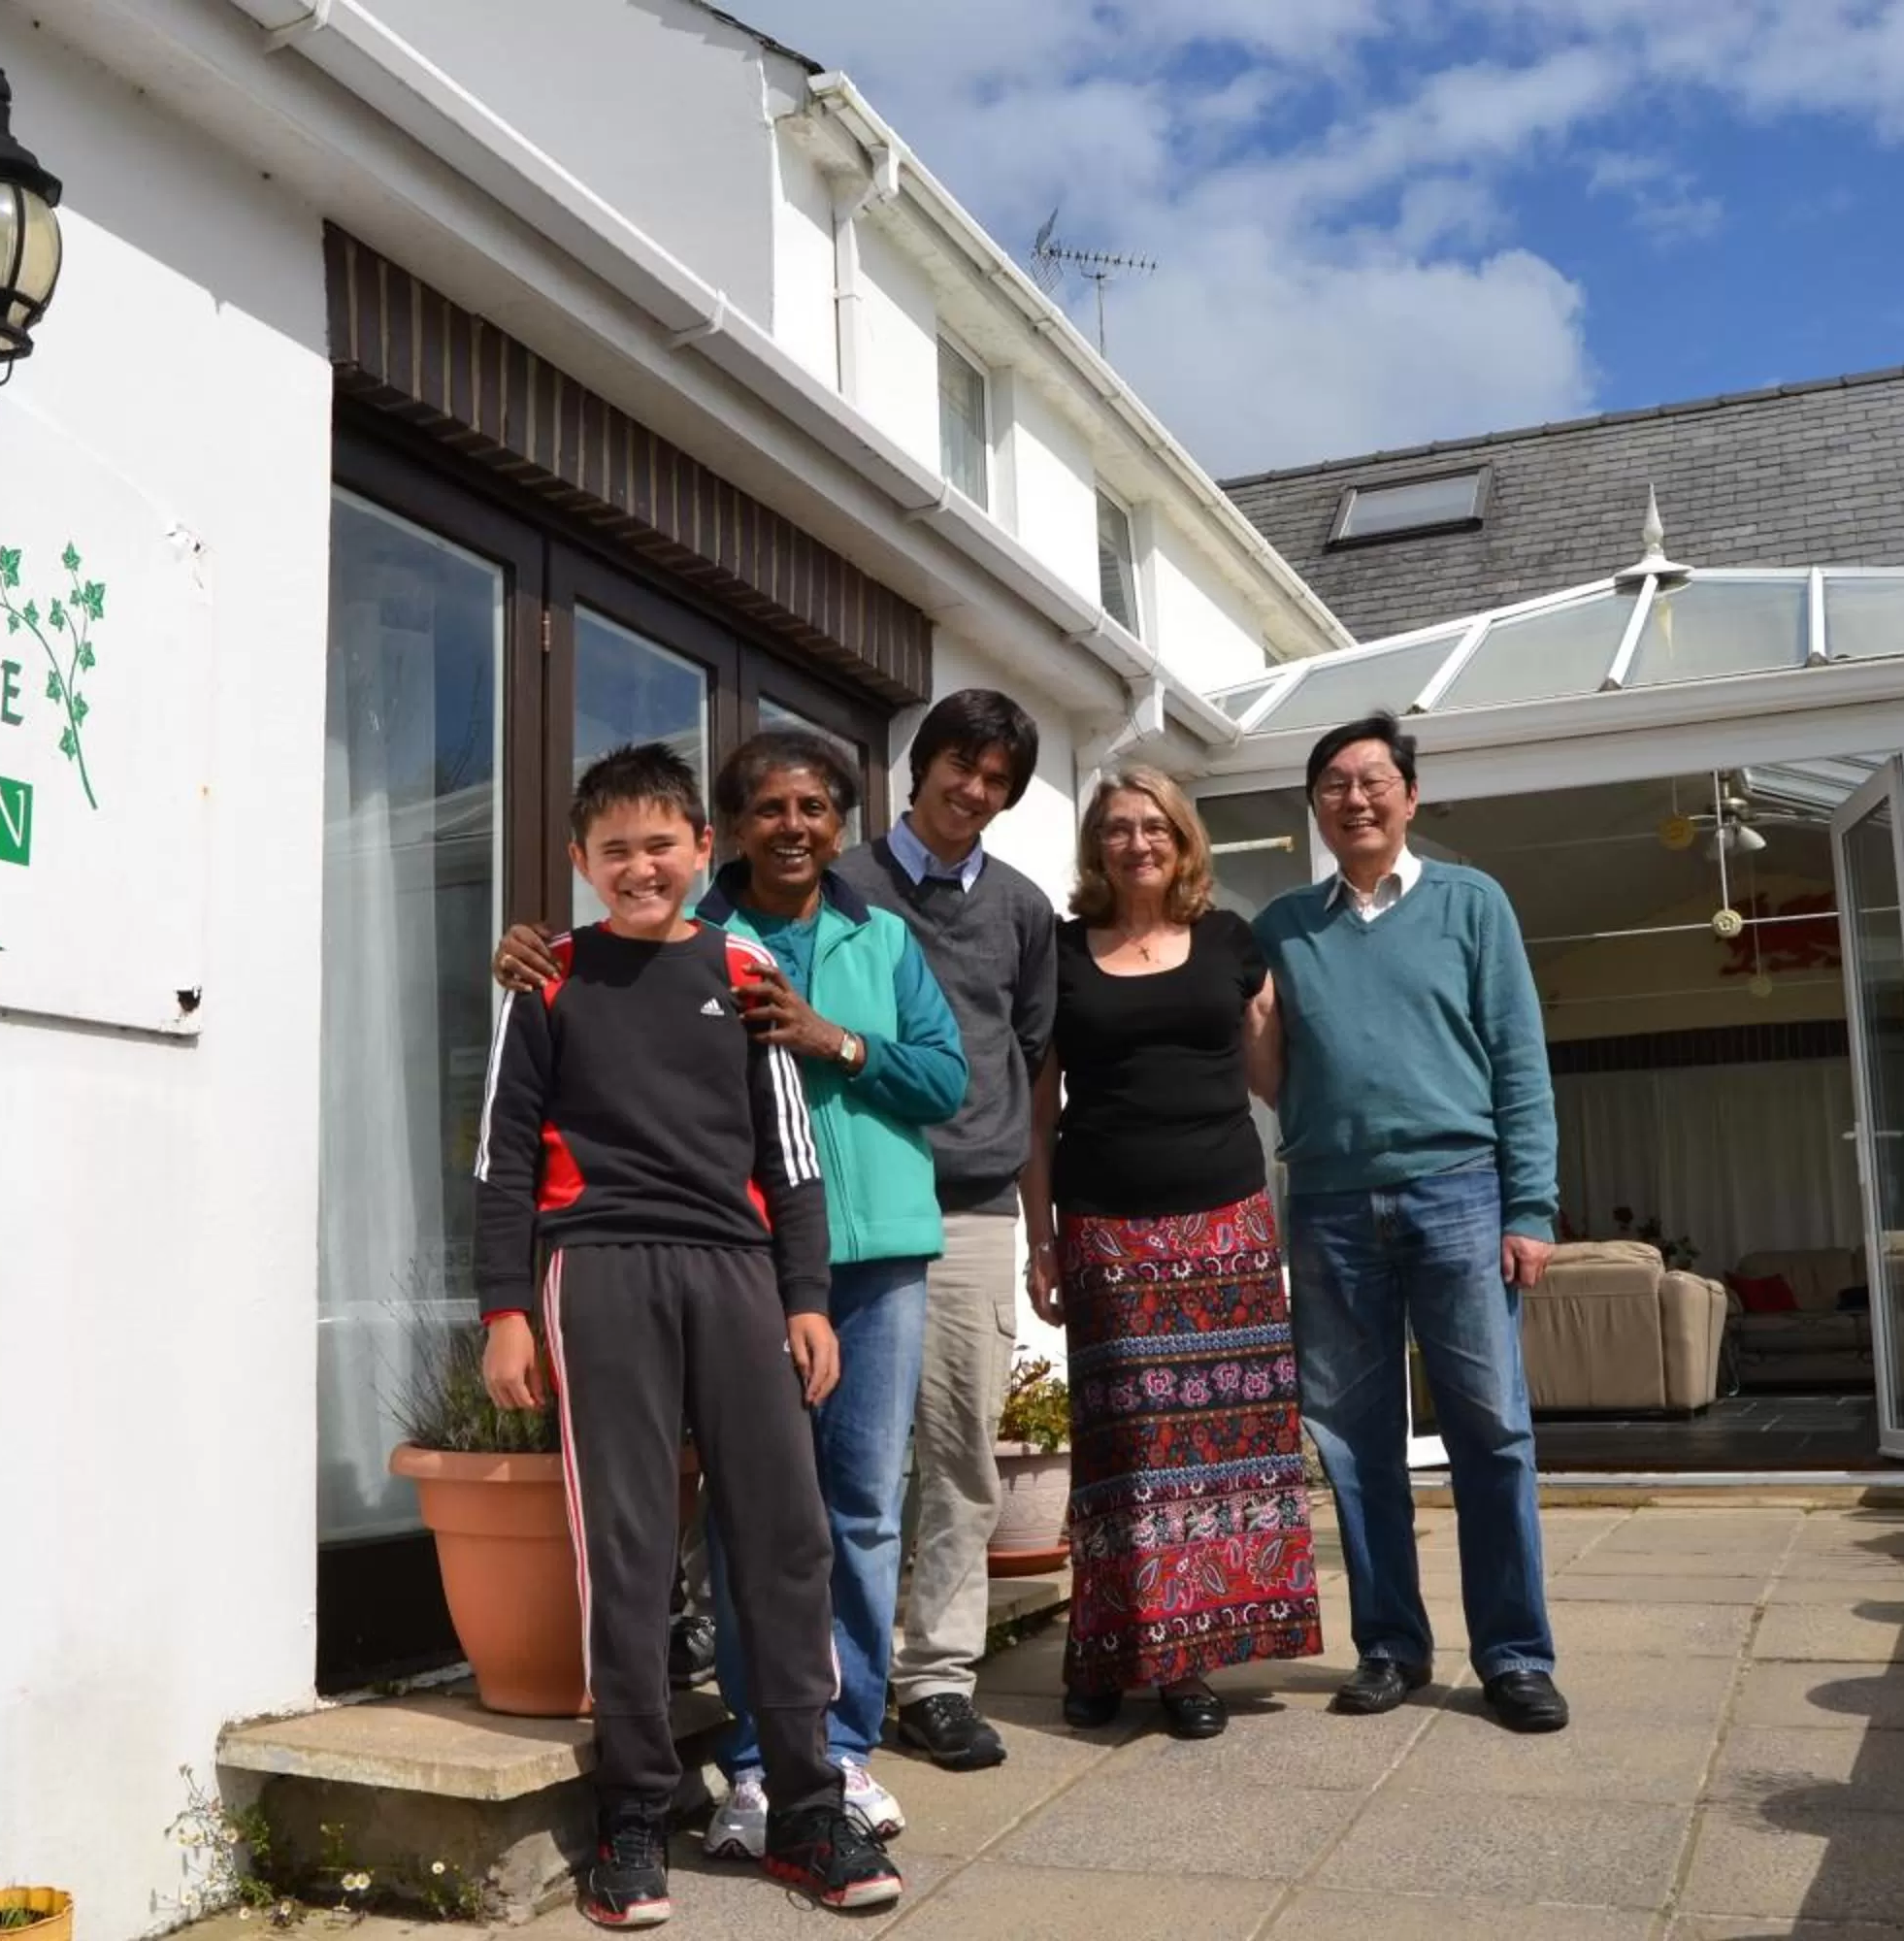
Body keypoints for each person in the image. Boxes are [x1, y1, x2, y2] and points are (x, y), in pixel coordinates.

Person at [508, 730, 967, 1851]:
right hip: (679, 1263)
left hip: (827, 1258)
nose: (794, 824)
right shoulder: (617, 960)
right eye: (772, 807)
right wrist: (504, 1305)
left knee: (834, 1513)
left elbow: (931, 1083)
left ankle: (834, 1758)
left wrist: (836, 1041)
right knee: (675, 1529)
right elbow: (514, 1140)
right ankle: (732, 1769)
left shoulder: (857, 941)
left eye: (814, 805)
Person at [1251, 712, 1570, 1736]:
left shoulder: (1473, 904)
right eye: (1336, 783)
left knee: (1493, 1429)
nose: (1356, 798)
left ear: (1410, 796)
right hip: (1331, 1203)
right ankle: (1389, 1644)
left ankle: (1515, 1654)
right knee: (1352, 1439)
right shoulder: (1284, 928)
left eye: (1374, 780)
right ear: (1317, 805)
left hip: (1459, 1190)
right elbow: (1271, 1073)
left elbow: (1520, 1061)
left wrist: (1528, 1205)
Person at [1023, 767, 1325, 1738]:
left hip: (1227, 1222)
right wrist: (1041, 1235)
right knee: (1124, 1454)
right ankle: (1106, 1652)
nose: (1136, 841)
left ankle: (1187, 1662)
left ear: (1183, 839)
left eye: (1154, 825)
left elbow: (1275, 1073)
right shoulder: (1061, 952)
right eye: (1117, 827)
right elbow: (1037, 1105)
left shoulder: (1233, 941)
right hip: (1108, 1225)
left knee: (1221, 1451)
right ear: (1097, 846)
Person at [830, 691, 1058, 1773]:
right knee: (822, 1448)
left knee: (961, 1452)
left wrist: (1040, 1212)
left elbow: (1033, 1054)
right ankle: (822, 1665)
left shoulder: (1020, 908)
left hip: (969, 1207)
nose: (974, 790)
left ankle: (936, 1679)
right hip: (849, 1200)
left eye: (996, 777)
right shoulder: (842, 880)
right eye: (959, 767)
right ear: (916, 768)